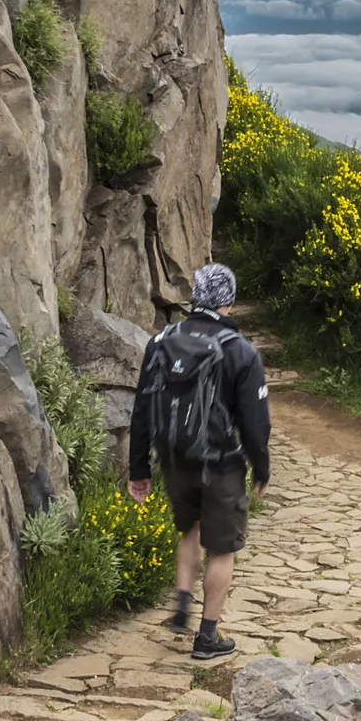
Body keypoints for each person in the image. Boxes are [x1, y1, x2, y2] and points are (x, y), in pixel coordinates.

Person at [127, 263, 269, 660]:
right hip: (221, 464)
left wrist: (138, 469)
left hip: (174, 459)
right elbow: (255, 422)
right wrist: (262, 468)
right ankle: (208, 635)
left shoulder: (161, 342)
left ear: (196, 296)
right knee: (223, 548)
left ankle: (182, 604)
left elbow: (142, 407)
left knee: (189, 530)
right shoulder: (241, 351)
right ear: (228, 299)